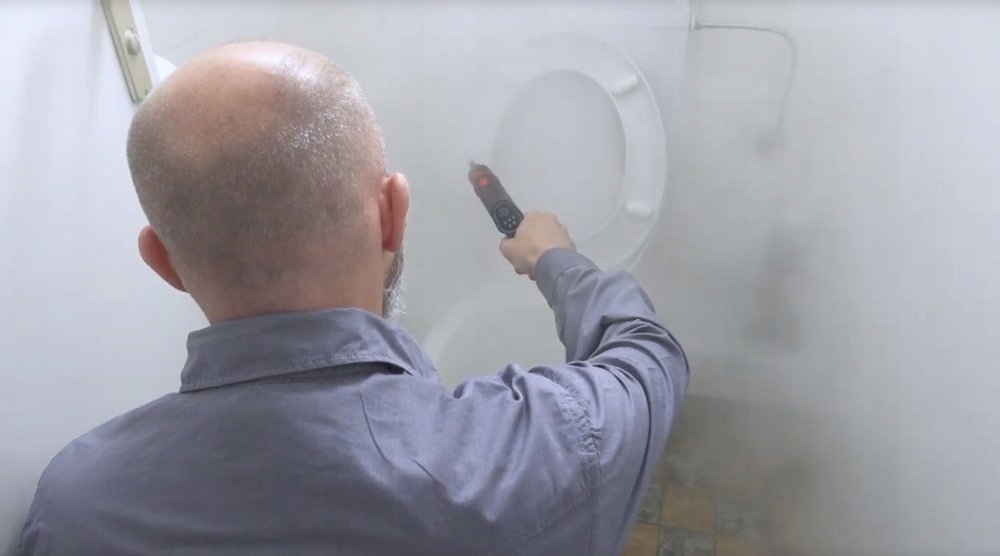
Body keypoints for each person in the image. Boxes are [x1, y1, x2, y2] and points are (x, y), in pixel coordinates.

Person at [19, 41, 689, 556]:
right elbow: (647, 355)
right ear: (394, 214)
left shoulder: (76, 505)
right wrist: (554, 260)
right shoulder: (537, 457)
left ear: (164, 263)